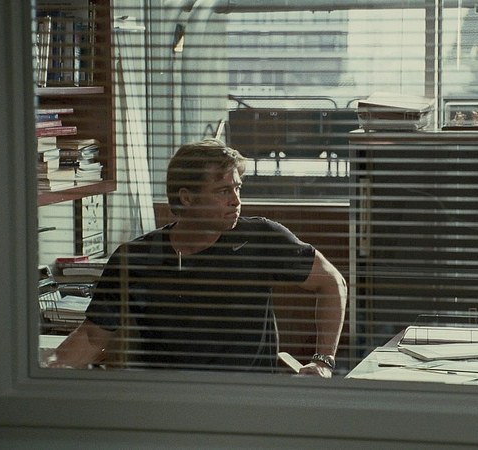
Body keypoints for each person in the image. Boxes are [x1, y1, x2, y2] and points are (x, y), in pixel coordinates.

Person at [48, 139, 347, 377]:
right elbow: (93, 337)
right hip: (170, 401)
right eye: (223, 191)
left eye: (237, 188)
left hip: (246, 400)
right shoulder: (136, 258)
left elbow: (332, 282)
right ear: (187, 198)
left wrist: (323, 361)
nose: (236, 200)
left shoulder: (261, 238)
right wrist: (48, 373)